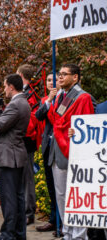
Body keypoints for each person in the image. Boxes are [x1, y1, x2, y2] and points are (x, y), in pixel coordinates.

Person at [47, 64, 95, 240]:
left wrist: (79, 130)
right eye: (59, 74)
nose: (59, 77)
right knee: (61, 195)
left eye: (64, 74)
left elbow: (90, 120)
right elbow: (55, 118)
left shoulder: (83, 97)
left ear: (75, 77)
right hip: (57, 151)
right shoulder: (62, 96)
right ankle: (67, 232)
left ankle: (79, 235)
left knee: (76, 196)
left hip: (73, 152)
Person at [0, 74, 31, 240]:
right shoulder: (21, 102)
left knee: (9, 199)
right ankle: (18, 233)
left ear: (11, 87)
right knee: (17, 198)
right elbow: (4, 123)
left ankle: (7, 234)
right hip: (15, 155)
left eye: (5, 86)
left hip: (9, 157)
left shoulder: (16, 104)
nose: (4, 90)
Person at [35, 73, 61, 234]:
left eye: (55, 79)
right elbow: (38, 115)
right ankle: (53, 219)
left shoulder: (66, 98)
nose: (52, 82)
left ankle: (62, 222)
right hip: (48, 146)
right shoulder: (45, 100)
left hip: (61, 146)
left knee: (61, 187)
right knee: (51, 185)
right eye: (49, 80)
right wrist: (49, 100)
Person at [17, 64, 39, 225]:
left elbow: (30, 119)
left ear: (21, 75)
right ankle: (25, 209)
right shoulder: (25, 93)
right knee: (23, 178)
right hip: (22, 140)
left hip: (27, 140)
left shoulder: (28, 94)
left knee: (27, 178)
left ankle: (28, 212)